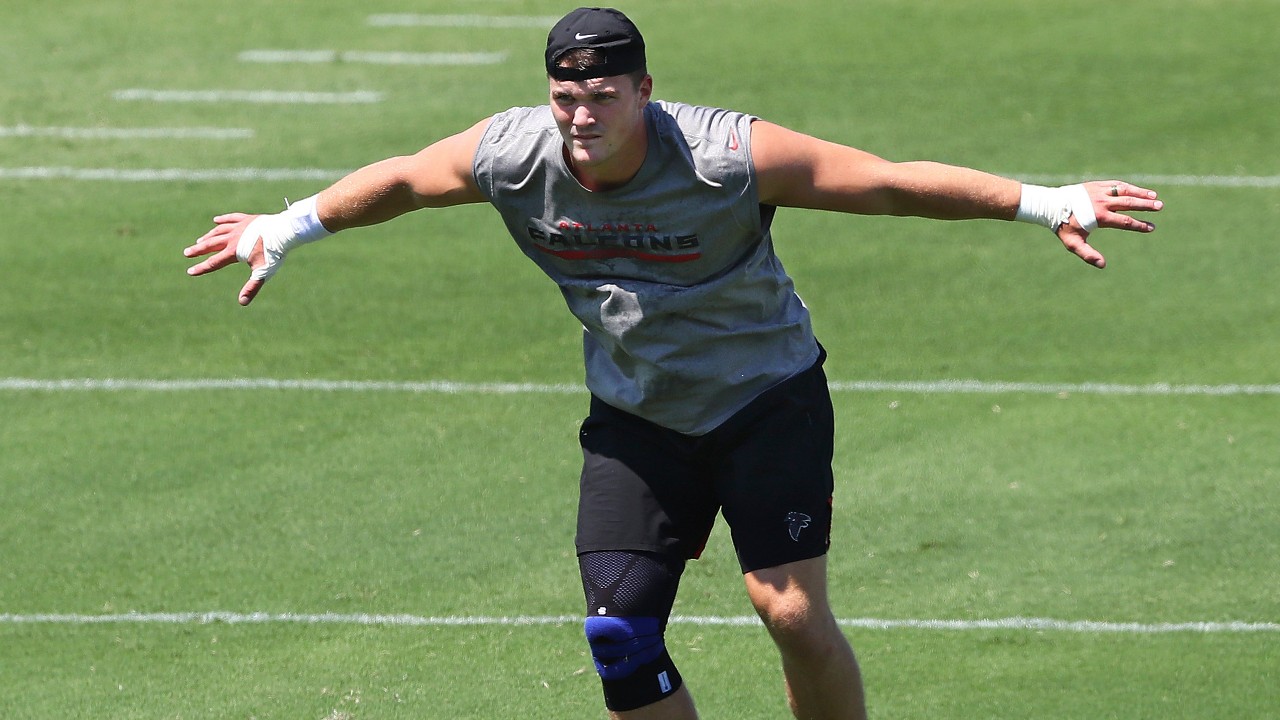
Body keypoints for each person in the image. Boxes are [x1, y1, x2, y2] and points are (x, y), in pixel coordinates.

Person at [184, 7, 1162, 719]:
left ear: (643, 92)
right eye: (564, 96)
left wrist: (1044, 202)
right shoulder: (511, 156)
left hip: (762, 397)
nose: (578, 116)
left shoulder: (725, 155)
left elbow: (885, 185)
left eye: (601, 96)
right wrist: (289, 224)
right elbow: (399, 179)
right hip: (637, 414)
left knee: (783, 609)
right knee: (617, 639)